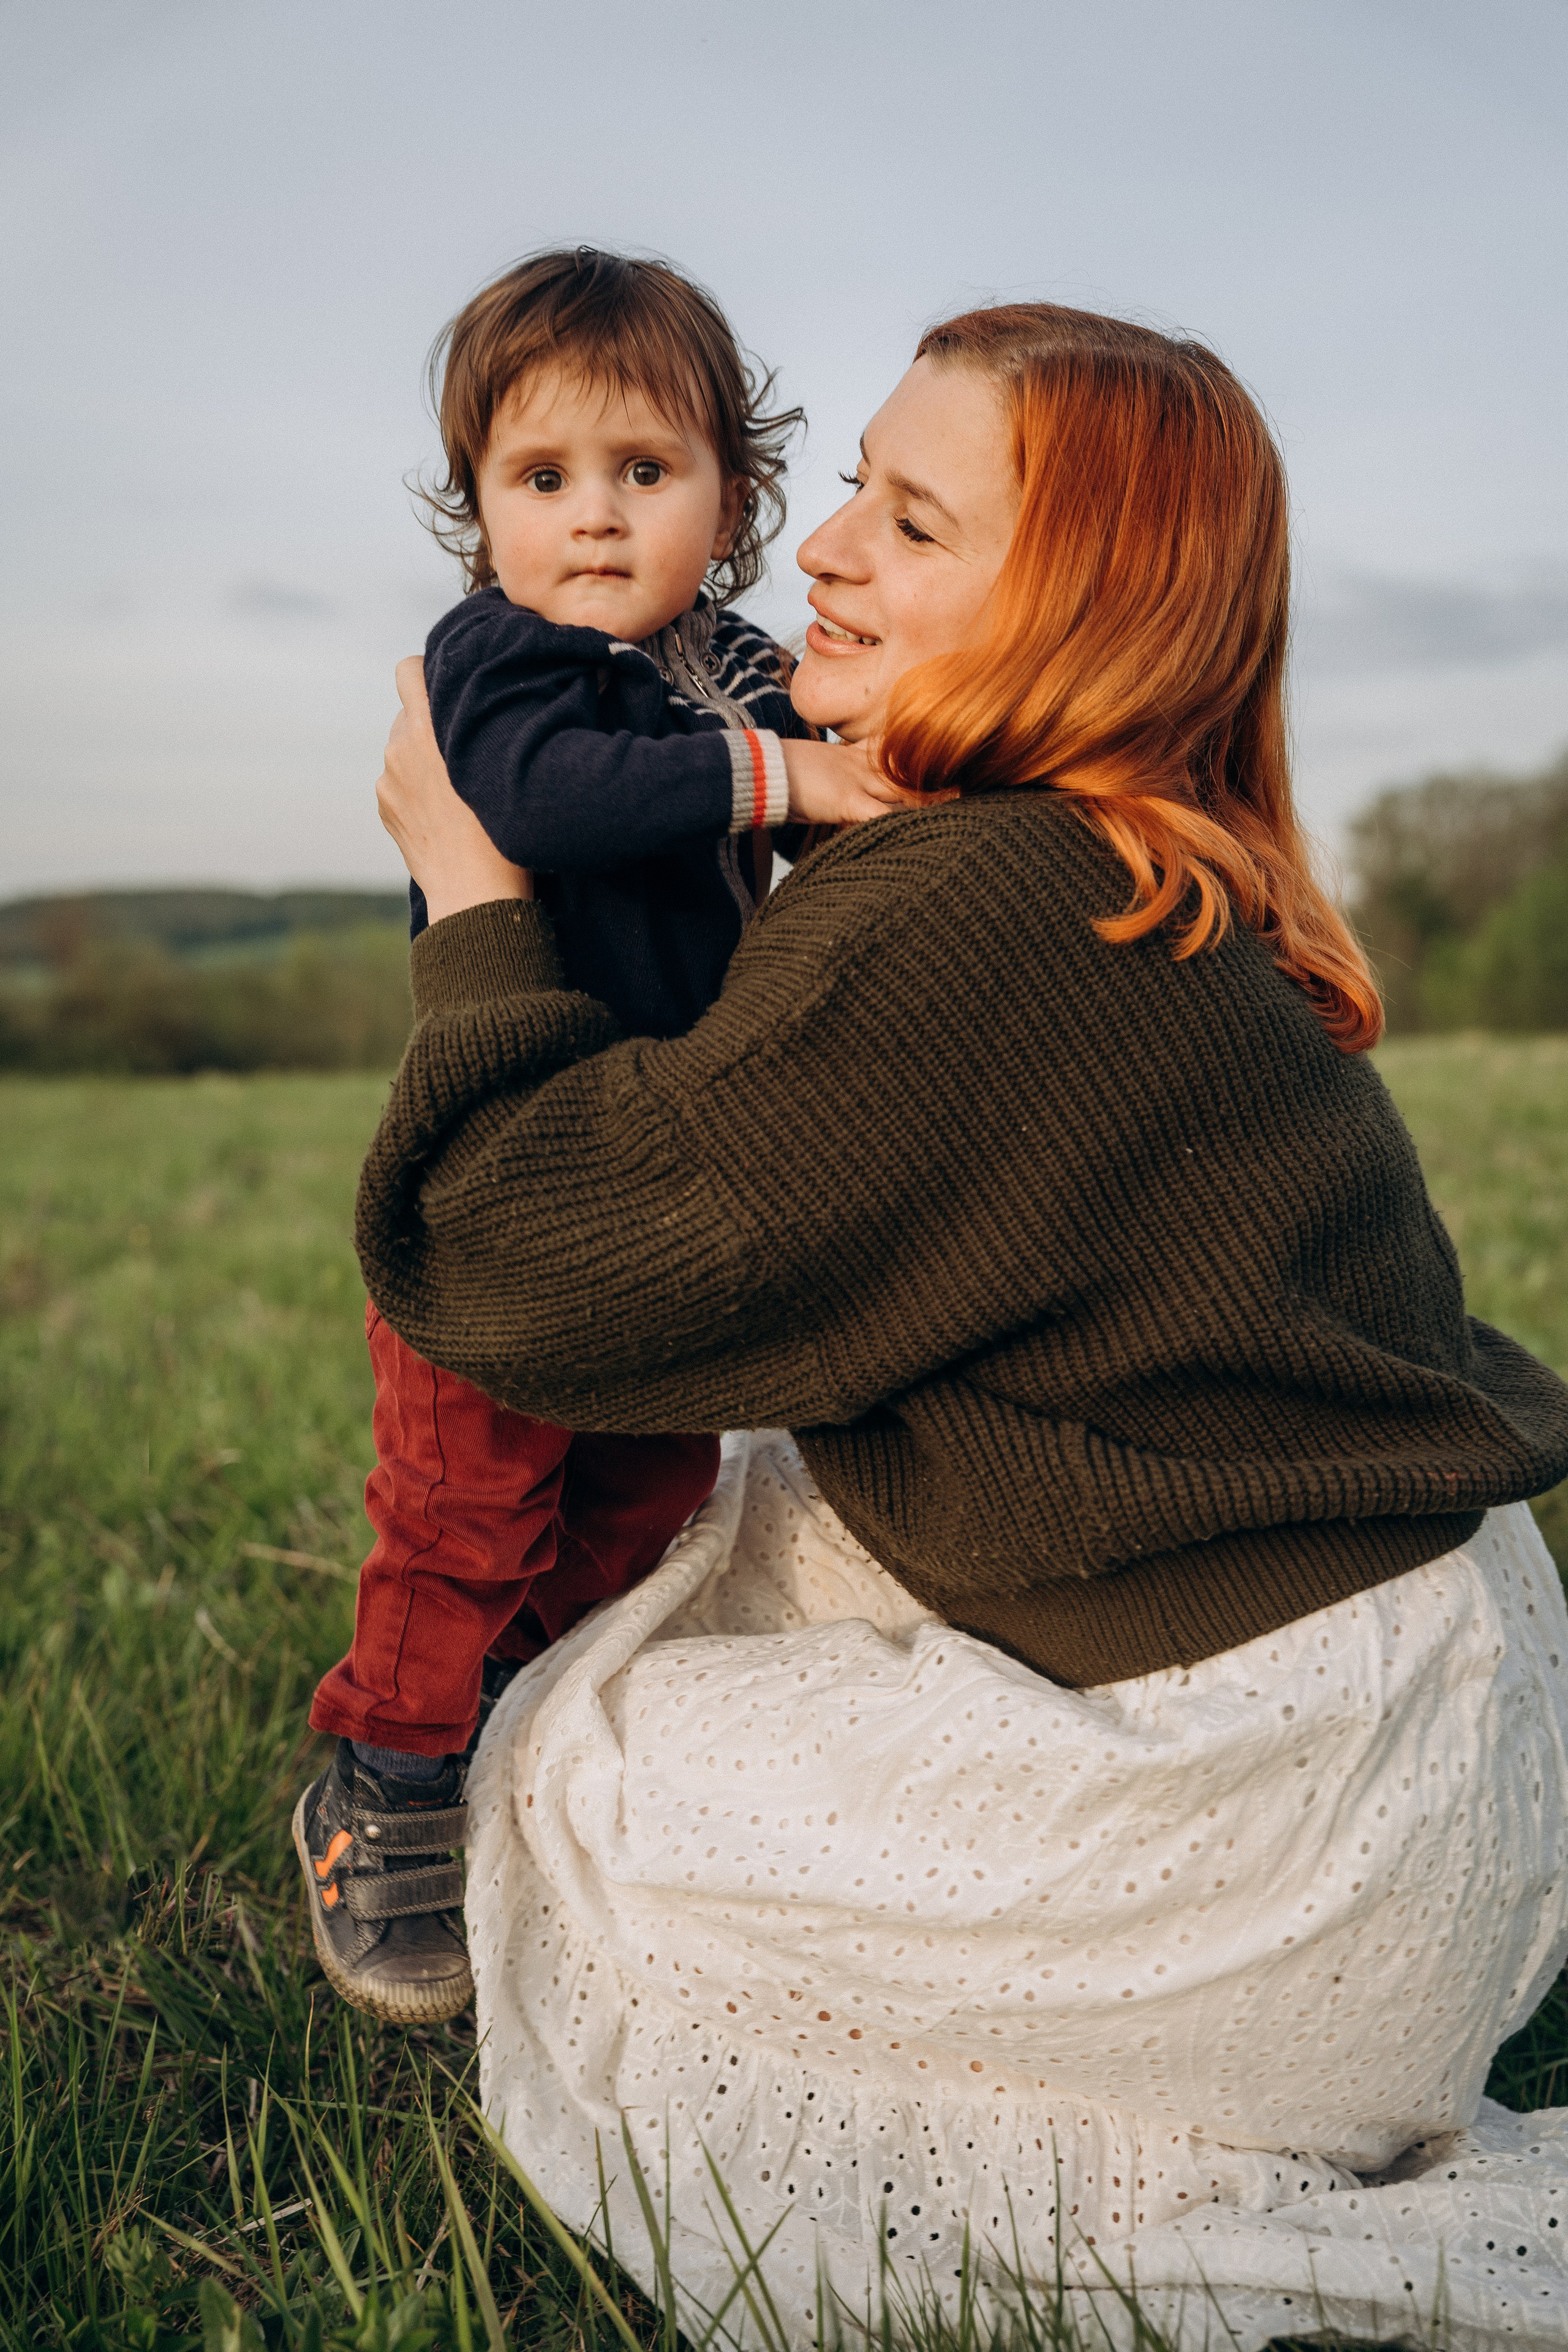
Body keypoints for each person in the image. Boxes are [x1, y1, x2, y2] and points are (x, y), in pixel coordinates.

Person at [361, 303, 1568, 2345]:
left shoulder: (978, 901)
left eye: (909, 524)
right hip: (1446, 1723)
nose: (819, 550)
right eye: (848, 491)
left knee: (573, 1787)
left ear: (1079, 613)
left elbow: (522, 1272)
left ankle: (1164, 2080)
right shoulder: (1112, 851)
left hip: (1294, 1833)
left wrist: (474, 893)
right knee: (739, 1527)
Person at [296, 249, 889, 2026]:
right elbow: (553, 802)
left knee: (640, 1500)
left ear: (736, 494)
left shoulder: (732, 669)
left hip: (663, 1201)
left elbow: (860, 785)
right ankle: (386, 1777)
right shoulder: (508, 664)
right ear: (479, 512)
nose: (599, 521)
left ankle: (536, 1738)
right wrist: (789, 782)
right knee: (467, 1505)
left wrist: (883, 769)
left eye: (648, 473)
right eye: (542, 481)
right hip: (501, 1192)